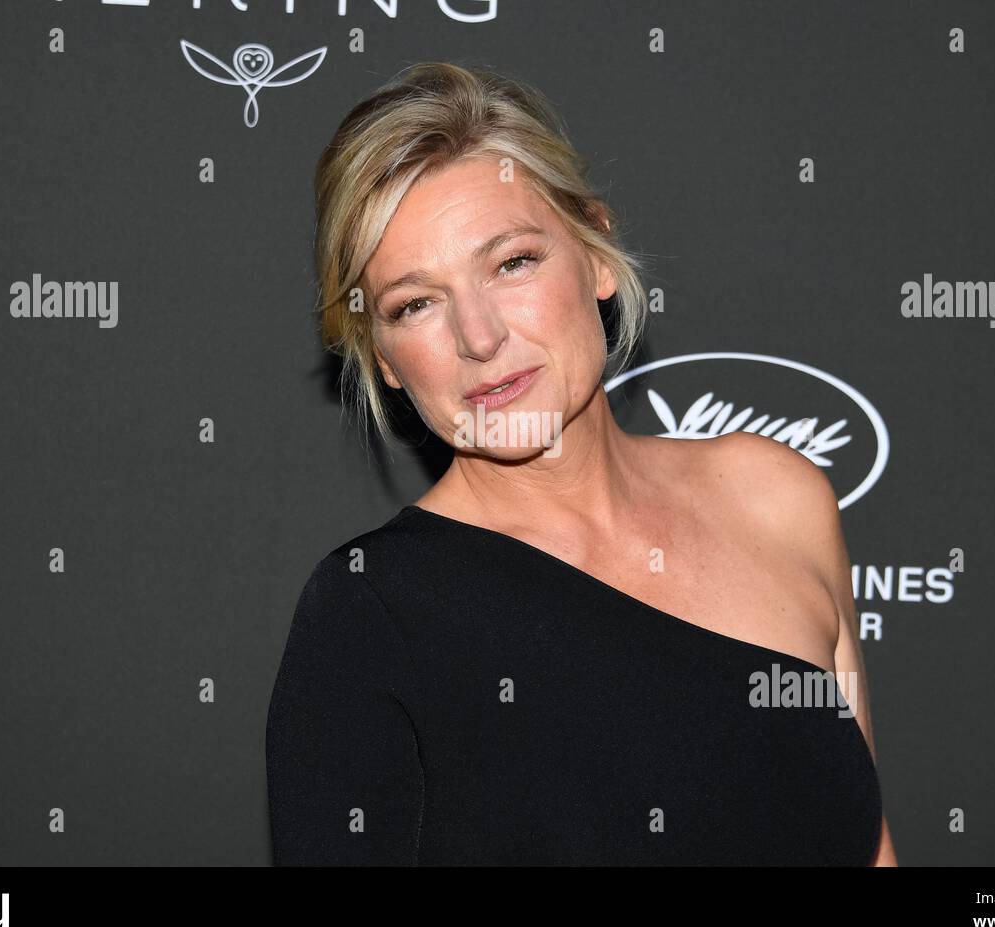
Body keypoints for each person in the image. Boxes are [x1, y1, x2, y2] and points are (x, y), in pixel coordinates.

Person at [266, 61, 897, 865]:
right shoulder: (369, 612)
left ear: (595, 254)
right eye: (414, 303)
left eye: (512, 262)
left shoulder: (778, 499)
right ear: (384, 358)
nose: (480, 335)